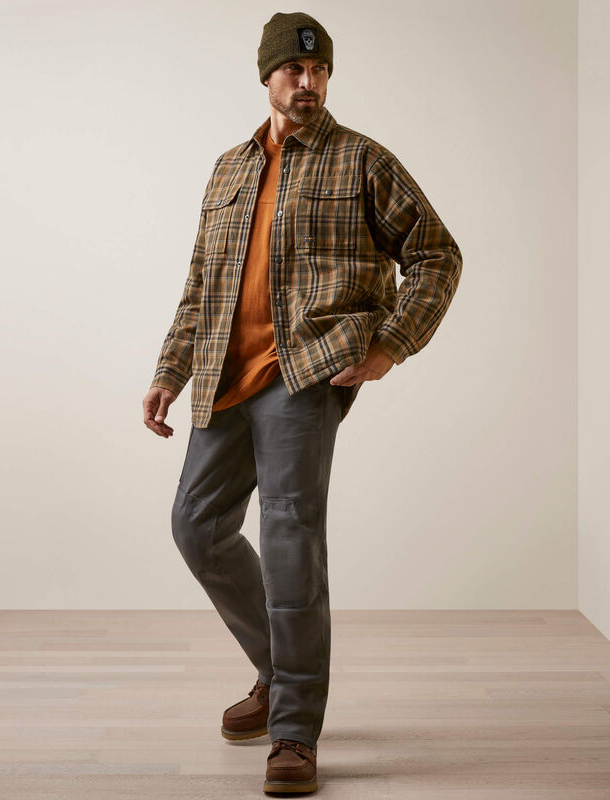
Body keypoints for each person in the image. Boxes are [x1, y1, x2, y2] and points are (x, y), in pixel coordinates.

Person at [142, 11, 463, 795]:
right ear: (268, 75)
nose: (309, 82)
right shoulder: (229, 169)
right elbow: (201, 283)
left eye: (319, 71)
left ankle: (293, 731)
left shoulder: (363, 160)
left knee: (290, 543)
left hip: (305, 373)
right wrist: (170, 370)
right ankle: (280, 671)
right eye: (295, 69)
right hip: (223, 374)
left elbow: (435, 253)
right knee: (197, 525)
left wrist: (391, 344)